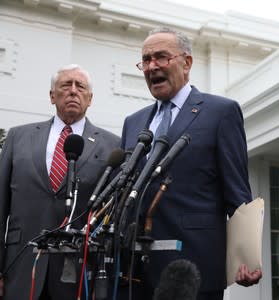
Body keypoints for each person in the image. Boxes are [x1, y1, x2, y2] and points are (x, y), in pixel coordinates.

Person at [120, 27, 262, 300]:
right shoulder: (134, 122)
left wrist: (247, 257)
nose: (152, 66)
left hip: (196, 265)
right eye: (146, 60)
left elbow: (237, 192)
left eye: (161, 57)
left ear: (187, 63)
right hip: (136, 271)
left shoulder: (220, 112)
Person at [0, 64, 120, 299]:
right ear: (52, 96)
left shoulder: (112, 146)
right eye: (66, 85)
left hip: (78, 274)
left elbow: (111, 217)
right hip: (20, 268)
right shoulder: (18, 137)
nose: (73, 91)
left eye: (80, 86)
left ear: (90, 98)